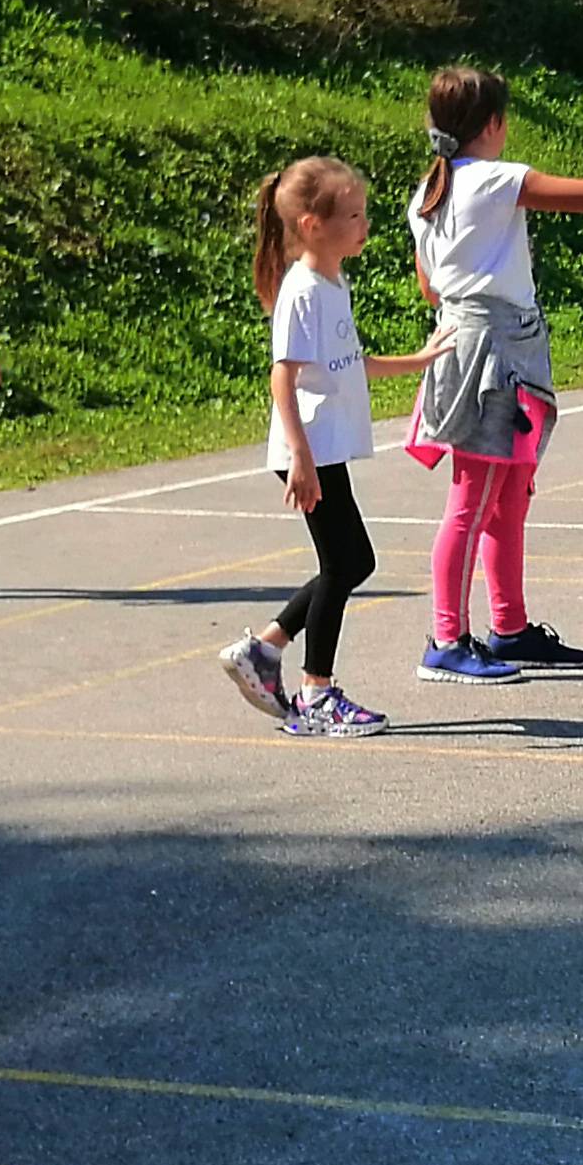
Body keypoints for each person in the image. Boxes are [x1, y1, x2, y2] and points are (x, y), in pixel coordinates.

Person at [399, 64, 583, 684]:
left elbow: (430, 288)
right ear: (494, 124)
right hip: (493, 353)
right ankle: (446, 639)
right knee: (473, 498)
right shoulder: (492, 179)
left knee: (509, 493)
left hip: (484, 339)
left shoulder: (429, 193)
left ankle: (509, 628)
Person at [221, 155, 413, 735]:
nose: (365, 225)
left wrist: (421, 360)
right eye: (353, 216)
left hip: (325, 448)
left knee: (353, 561)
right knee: (343, 564)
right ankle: (316, 696)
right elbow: (282, 376)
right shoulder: (302, 291)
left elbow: (349, 363)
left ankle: (264, 648)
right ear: (312, 225)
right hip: (309, 450)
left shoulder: (333, 284)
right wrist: (299, 457)